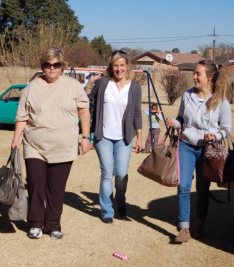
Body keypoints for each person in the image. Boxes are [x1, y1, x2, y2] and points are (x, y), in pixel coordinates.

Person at [12, 47, 90, 240]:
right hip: (34, 145)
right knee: (36, 184)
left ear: (62, 66)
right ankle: (36, 223)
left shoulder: (73, 85)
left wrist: (86, 137)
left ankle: (53, 224)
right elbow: (22, 116)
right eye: (48, 64)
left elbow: (84, 112)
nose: (52, 68)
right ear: (43, 66)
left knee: (56, 189)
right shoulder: (31, 88)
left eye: (56, 64)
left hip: (63, 146)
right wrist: (16, 139)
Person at [166, 60, 232, 243]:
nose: (194, 77)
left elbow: (226, 129)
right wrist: (175, 123)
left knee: (202, 190)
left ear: (209, 77)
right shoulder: (187, 95)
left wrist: (215, 136)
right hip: (186, 146)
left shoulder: (221, 101)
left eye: (198, 74)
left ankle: (199, 224)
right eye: (194, 73)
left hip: (207, 150)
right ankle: (184, 228)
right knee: (183, 186)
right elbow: (182, 120)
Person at [84, 50, 143, 224]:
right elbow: (85, 97)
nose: (119, 69)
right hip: (103, 136)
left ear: (127, 66)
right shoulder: (103, 83)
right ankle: (107, 210)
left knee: (122, 174)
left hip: (124, 137)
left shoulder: (134, 87)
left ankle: (121, 200)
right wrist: (89, 84)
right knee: (107, 173)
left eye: (122, 65)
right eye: (116, 65)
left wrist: (139, 137)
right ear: (111, 66)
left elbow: (137, 113)